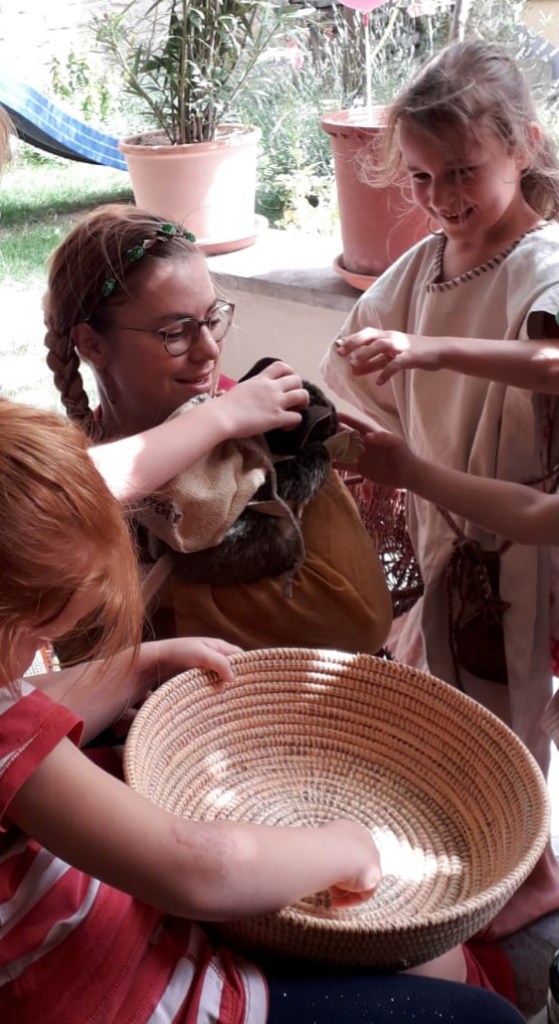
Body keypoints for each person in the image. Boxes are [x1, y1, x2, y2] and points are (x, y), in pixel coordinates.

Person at [0, 398, 526, 1024]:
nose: (36, 657)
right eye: (35, 636)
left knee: (436, 961)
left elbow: (24, 703)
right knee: (482, 1017)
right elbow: (199, 868)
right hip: (148, 997)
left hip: (93, 919)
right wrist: (347, 847)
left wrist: (145, 664)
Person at [322, 38, 559, 934]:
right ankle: (499, 849)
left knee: (510, 710)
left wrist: (427, 351)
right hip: (448, 519)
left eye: (462, 173)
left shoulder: (541, 264)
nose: (441, 198)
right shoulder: (428, 263)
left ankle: (534, 871)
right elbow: (362, 347)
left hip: (519, 535)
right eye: (421, 179)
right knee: (465, 702)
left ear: (522, 146)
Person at [43, 203, 392, 656]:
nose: (208, 349)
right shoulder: (70, 480)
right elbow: (76, 652)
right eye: (175, 332)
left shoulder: (272, 438)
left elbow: (360, 622)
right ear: (92, 344)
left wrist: (160, 595)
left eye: (212, 319)